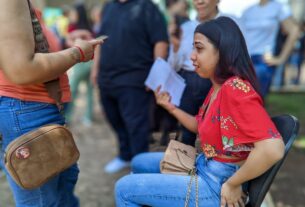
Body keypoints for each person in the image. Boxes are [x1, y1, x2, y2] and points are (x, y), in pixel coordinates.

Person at [114, 17, 285, 207]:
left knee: (124, 189)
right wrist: (170, 107)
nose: (192, 56)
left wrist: (233, 184)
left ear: (222, 51)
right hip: (206, 166)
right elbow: (200, 125)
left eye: (199, 48)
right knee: (139, 162)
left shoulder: (235, 89)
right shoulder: (218, 87)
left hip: (217, 184)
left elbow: (273, 148)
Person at [0, 0, 103, 206]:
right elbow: (21, 69)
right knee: (43, 201)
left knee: (60, 196)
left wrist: (64, 43)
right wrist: (77, 53)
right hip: (25, 111)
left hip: (30, 111)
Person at [91, 0, 168, 174]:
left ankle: (139, 165)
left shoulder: (147, 7)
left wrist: (158, 73)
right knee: (114, 118)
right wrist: (95, 69)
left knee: (136, 126)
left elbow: (161, 41)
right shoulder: (109, 7)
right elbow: (100, 40)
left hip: (134, 78)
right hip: (107, 77)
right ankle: (125, 156)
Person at [167, 0, 240, 146]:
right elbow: (173, 64)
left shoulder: (230, 23)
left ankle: (218, 162)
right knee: (187, 129)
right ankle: (185, 163)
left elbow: (240, 55)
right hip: (188, 80)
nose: (199, 1)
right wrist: (175, 48)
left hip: (219, 79)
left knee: (220, 126)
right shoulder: (185, 28)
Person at [240, 0, 300, 97]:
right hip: (244, 59)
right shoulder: (248, 11)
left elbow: (294, 31)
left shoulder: (279, 7)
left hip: (262, 60)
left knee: (253, 99)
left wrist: (281, 59)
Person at [65, 3, 95, 126]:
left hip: (81, 62)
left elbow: (69, 44)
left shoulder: (73, 27)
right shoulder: (89, 27)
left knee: (73, 89)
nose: (72, 15)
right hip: (89, 61)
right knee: (88, 90)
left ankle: (67, 116)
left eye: (73, 12)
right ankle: (88, 117)